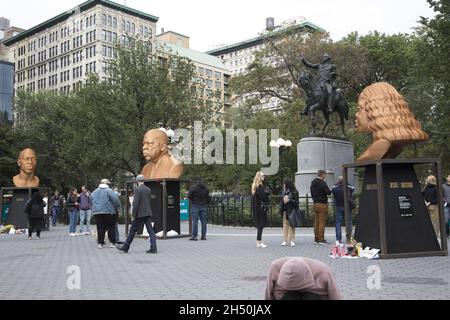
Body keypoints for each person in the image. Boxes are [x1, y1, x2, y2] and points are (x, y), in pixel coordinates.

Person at [355, 82, 428, 161]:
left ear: (376, 109)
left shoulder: (382, 145)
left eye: (360, 108)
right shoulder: (394, 146)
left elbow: (363, 160)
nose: (356, 114)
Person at [265, 256, 342, 300]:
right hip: (287, 297)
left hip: (314, 297)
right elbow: (269, 294)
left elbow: (335, 295)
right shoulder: (275, 268)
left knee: (311, 297)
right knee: (290, 297)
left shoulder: (324, 272)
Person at [117, 175, 157, 253]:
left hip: (139, 214)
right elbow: (148, 201)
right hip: (148, 212)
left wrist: (133, 214)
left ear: (137, 181)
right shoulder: (148, 189)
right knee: (151, 231)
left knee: (132, 230)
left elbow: (136, 204)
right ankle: (154, 248)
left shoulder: (138, 190)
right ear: (144, 181)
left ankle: (125, 247)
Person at [91, 179, 121, 249]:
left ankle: (100, 243)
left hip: (97, 212)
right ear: (107, 184)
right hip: (108, 212)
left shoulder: (94, 191)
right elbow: (116, 199)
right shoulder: (109, 190)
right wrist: (118, 207)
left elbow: (91, 199)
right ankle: (112, 242)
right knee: (111, 227)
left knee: (100, 228)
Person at [331, 176, 355, 244]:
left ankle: (338, 239)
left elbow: (332, 188)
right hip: (347, 207)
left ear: (338, 181)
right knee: (349, 223)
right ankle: (350, 238)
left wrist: (337, 183)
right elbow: (353, 188)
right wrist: (347, 183)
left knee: (338, 223)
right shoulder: (348, 188)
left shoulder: (335, 189)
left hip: (339, 206)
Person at [310, 169, 331, 244]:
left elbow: (312, 193)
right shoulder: (322, 183)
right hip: (322, 204)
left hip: (315, 203)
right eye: (325, 174)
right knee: (322, 222)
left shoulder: (313, 183)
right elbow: (328, 192)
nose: (325, 176)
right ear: (322, 174)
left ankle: (316, 239)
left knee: (316, 222)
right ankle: (321, 239)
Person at [251, 171, 270, 248]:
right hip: (261, 209)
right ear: (259, 176)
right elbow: (263, 197)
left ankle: (258, 241)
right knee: (260, 225)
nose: (264, 177)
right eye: (262, 175)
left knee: (259, 225)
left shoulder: (255, 186)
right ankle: (259, 242)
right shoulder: (260, 186)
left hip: (257, 208)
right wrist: (267, 193)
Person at [279, 179, 299, 247]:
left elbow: (296, 202)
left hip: (291, 210)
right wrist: (283, 202)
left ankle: (292, 240)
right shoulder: (283, 192)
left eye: (284, 184)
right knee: (285, 225)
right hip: (284, 210)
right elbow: (281, 201)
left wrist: (289, 200)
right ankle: (285, 240)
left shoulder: (294, 192)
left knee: (292, 225)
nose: (283, 185)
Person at [443, 174, 450, 238]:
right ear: (447, 178)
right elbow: (440, 195)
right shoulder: (443, 186)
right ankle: (447, 234)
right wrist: (444, 201)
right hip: (446, 205)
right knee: (446, 221)